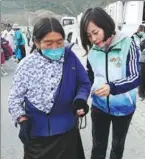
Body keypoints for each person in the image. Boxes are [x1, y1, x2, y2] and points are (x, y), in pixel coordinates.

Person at [8, 17, 91, 159]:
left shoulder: (70, 58)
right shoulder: (26, 65)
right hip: (37, 137)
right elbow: (14, 99)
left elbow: (84, 83)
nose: (55, 48)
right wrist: (22, 119)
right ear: (36, 42)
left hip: (67, 131)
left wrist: (80, 100)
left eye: (59, 42)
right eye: (48, 43)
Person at [80, 7, 140, 159]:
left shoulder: (128, 44)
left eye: (95, 32)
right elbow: (89, 77)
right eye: (88, 35)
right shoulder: (93, 51)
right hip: (99, 106)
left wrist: (112, 87)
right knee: (98, 147)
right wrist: (80, 100)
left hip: (123, 107)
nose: (93, 39)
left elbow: (135, 76)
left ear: (106, 25)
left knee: (117, 147)